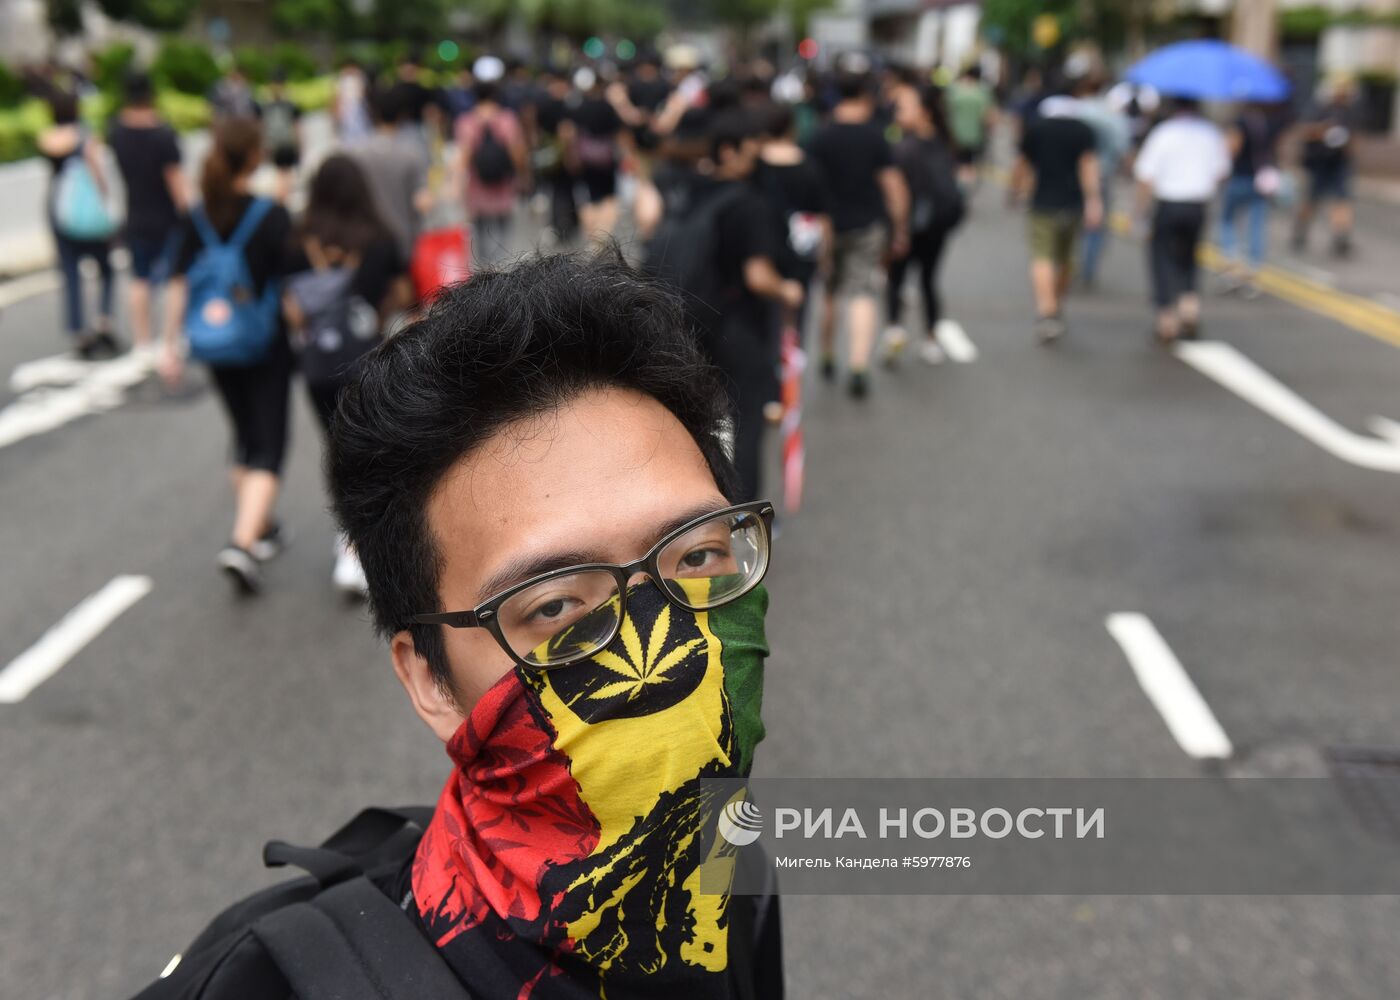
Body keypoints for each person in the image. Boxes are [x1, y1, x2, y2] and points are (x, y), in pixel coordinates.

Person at [130, 251, 784, 998]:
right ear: (428, 678)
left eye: (697, 554)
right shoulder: (262, 987)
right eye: (556, 605)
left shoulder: (729, 860)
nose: (658, 631)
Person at [157, 117, 294, 594]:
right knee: (268, 445)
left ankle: (262, 526)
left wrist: (169, 344)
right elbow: (295, 285)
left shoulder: (197, 216)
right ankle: (240, 542)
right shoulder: (271, 216)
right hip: (265, 344)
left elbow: (178, 282)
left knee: (243, 437)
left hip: (214, 343)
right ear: (255, 157)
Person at [284, 155, 411, 595]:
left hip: (318, 366)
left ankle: (347, 543)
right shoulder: (380, 238)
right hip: (366, 361)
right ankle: (371, 545)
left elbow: (294, 309)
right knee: (374, 449)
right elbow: (402, 294)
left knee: (336, 450)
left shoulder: (299, 241)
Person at [807, 69, 910, 398]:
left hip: (827, 225)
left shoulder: (819, 135)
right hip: (868, 224)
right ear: (865, 96)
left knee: (829, 292)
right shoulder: (875, 135)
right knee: (863, 292)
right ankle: (858, 365)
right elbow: (893, 186)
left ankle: (826, 355)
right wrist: (901, 227)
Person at [1009, 79, 1101, 343]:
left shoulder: (1036, 128)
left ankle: (1046, 310)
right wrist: (1094, 201)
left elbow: (1022, 164)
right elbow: (1089, 167)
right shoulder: (1083, 130)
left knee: (1042, 256)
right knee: (1066, 259)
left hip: (1043, 201)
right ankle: (1055, 304)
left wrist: (1014, 191)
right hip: (1072, 203)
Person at [1132, 98, 1230, 343]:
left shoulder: (1163, 133)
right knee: (1189, 257)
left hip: (1168, 203)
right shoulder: (1210, 133)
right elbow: (1222, 171)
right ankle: (1189, 309)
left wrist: (1139, 211)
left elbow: (1146, 174)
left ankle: (1166, 318)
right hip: (1197, 204)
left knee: (1161, 257)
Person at [884, 83, 965, 366]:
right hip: (938, 224)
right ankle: (930, 339)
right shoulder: (945, 144)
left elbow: (898, 194)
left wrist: (899, 229)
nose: (898, 111)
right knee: (929, 280)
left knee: (897, 278)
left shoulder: (903, 148)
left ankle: (894, 331)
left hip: (908, 224)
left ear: (925, 113)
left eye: (905, 107)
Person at [108, 71, 188, 356]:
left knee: (139, 279)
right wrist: (189, 212)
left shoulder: (116, 131)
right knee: (176, 279)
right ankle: (169, 340)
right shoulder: (163, 134)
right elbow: (175, 180)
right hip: (166, 217)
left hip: (135, 213)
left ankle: (142, 342)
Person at [39, 90, 117, 359]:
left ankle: (78, 331)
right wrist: (107, 205)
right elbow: (97, 174)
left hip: (59, 210)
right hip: (87, 212)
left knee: (70, 273)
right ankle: (103, 321)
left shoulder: (47, 138)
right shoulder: (85, 136)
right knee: (105, 268)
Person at [755, 101, 831, 340]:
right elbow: (822, 217)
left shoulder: (755, 166)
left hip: (761, 246)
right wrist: (825, 256)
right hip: (800, 249)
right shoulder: (810, 167)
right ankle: (791, 365)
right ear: (791, 128)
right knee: (796, 318)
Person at [455, 73, 528, 267]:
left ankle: (485, 274)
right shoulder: (507, 119)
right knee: (503, 234)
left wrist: (456, 186)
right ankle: (502, 271)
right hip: (503, 186)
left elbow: (463, 157)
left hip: (477, 188)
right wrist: (522, 175)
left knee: (480, 236)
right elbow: (517, 153)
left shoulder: (466, 121)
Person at [352, 88, 431, 261]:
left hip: (367, 238)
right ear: (401, 114)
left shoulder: (357, 154)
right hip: (403, 239)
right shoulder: (412, 152)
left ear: (373, 113)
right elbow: (423, 202)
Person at [1069, 74, 1131, 290]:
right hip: (1103, 174)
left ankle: (1069, 263)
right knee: (1096, 223)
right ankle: (1088, 268)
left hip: (1072, 174)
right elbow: (1123, 146)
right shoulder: (1111, 115)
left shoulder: (1074, 111)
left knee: (1071, 219)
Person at [1220, 102, 1284, 297]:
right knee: (1256, 225)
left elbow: (1232, 148)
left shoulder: (1239, 122)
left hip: (1240, 177)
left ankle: (1232, 263)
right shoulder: (1269, 123)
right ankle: (1252, 271)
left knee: (1227, 220)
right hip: (1261, 180)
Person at [1292, 78, 1357, 258]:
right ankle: (1300, 230)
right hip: (1319, 163)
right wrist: (1322, 131)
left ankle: (1341, 236)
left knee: (1341, 200)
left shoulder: (1347, 112)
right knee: (1312, 200)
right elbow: (1305, 132)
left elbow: (1352, 137)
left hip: (1338, 163)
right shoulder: (1317, 109)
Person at [561, 67, 626, 244]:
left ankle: (593, 238)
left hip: (584, 159)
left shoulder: (577, 107)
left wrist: (570, 157)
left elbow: (568, 134)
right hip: (607, 159)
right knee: (609, 198)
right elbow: (619, 134)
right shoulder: (608, 107)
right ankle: (603, 234)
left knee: (587, 199)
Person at [946, 63, 996, 187]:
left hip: (954, 134)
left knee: (955, 164)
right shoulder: (982, 91)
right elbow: (989, 115)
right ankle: (963, 191)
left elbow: (945, 110)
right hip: (975, 135)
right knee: (968, 164)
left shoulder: (954, 88)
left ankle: (956, 189)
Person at [261, 72, 303, 204]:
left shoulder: (290, 105)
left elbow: (296, 125)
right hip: (274, 144)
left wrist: (298, 143)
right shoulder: (266, 105)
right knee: (279, 173)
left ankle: (283, 199)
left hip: (287, 143)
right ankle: (281, 199)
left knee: (287, 173)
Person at [332, 58, 371, 143]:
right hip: (345, 108)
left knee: (361, 131)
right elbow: (337, 96)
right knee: (347, 134)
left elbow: (363, 93)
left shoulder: (360, 77)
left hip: (358, 107)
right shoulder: (340, 79)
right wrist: (336, 111)